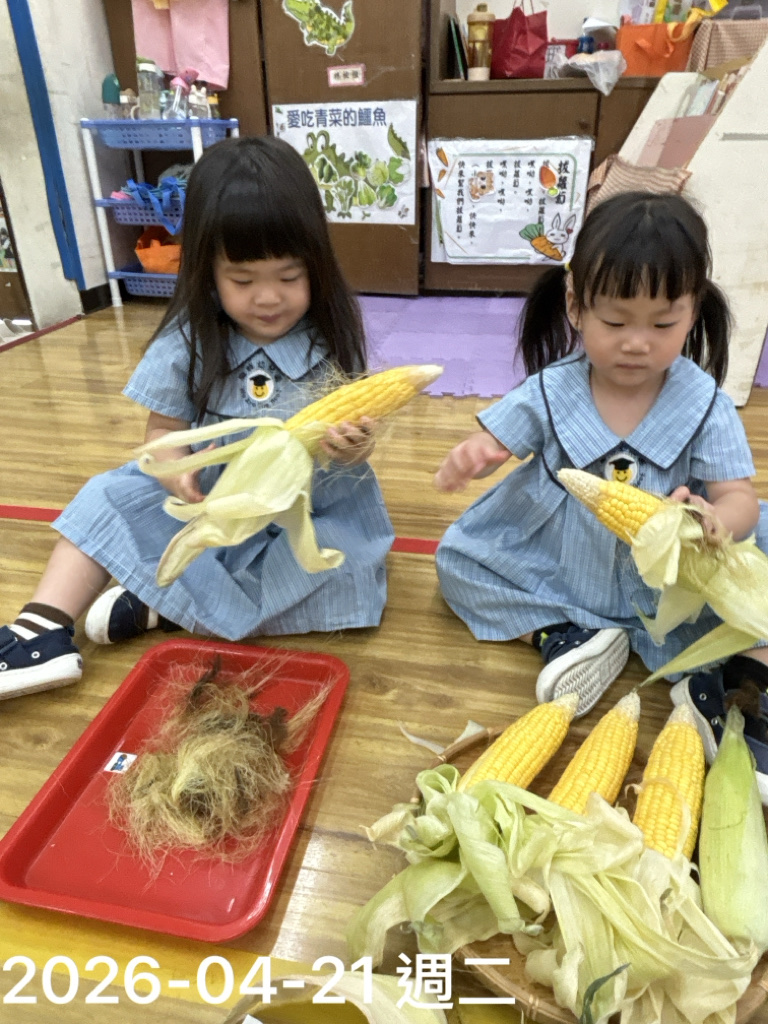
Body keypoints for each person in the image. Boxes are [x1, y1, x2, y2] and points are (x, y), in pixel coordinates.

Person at [0, 136, 393, 701]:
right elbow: (162, 432)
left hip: (299, 514)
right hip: (206, 508)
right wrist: (176, 470)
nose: (268, 298)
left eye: (289, 277)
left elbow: (354, 441)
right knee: (104, 497)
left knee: (348, 569)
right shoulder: (188, 340)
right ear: (207, 270)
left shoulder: (329, 341)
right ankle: (40, 631)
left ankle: (165, 605)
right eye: (243, 280)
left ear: (317, 266)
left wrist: (353, 445)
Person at [434, 192, 768, 785]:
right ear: (575, 306)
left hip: (673, 579)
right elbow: (497, 440)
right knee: (457, 563)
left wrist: (717, 519)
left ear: (693, 312)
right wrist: (478, 453)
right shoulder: (552, 389)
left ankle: (726, 687)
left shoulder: (705, 404)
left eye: (663, 324)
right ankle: (566, 634)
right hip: (564, 561)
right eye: (615, 322)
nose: (637, 342)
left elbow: (737, 496)